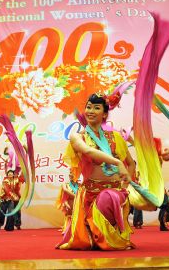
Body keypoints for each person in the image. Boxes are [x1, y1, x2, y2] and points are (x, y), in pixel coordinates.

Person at [57, 93, 138, 250]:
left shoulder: (115, 137)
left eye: (96, 108)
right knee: (106, 199)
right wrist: (115, 162)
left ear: (105, 114)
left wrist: (127, 183)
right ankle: (103, 237)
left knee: (111, 196)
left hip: (115, 190)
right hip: (91, 194)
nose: (90, 111)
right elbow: (88, 151)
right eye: (88, 107)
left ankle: (110, 236)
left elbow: (130, 163)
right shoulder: (78, 137)